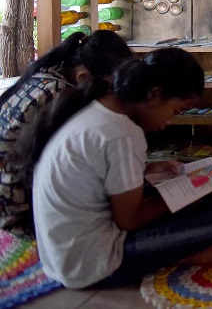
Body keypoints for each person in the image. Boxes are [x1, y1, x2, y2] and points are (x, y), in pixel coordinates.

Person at [17, 49, 212, 289]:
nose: (169, 121)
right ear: (154, 94)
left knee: (190, 200)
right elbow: (129, 220)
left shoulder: (100, 108)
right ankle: (181, 257)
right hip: (90, 264)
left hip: (60, 257)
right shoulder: (123, 134)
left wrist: (149, 170)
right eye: (175, 111)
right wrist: (193, 190)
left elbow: (100, 176)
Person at [0, 30, 132, 234]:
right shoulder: (56, 95)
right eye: (109, 87)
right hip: (15, 210)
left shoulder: (44, 77)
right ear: (84, 77)